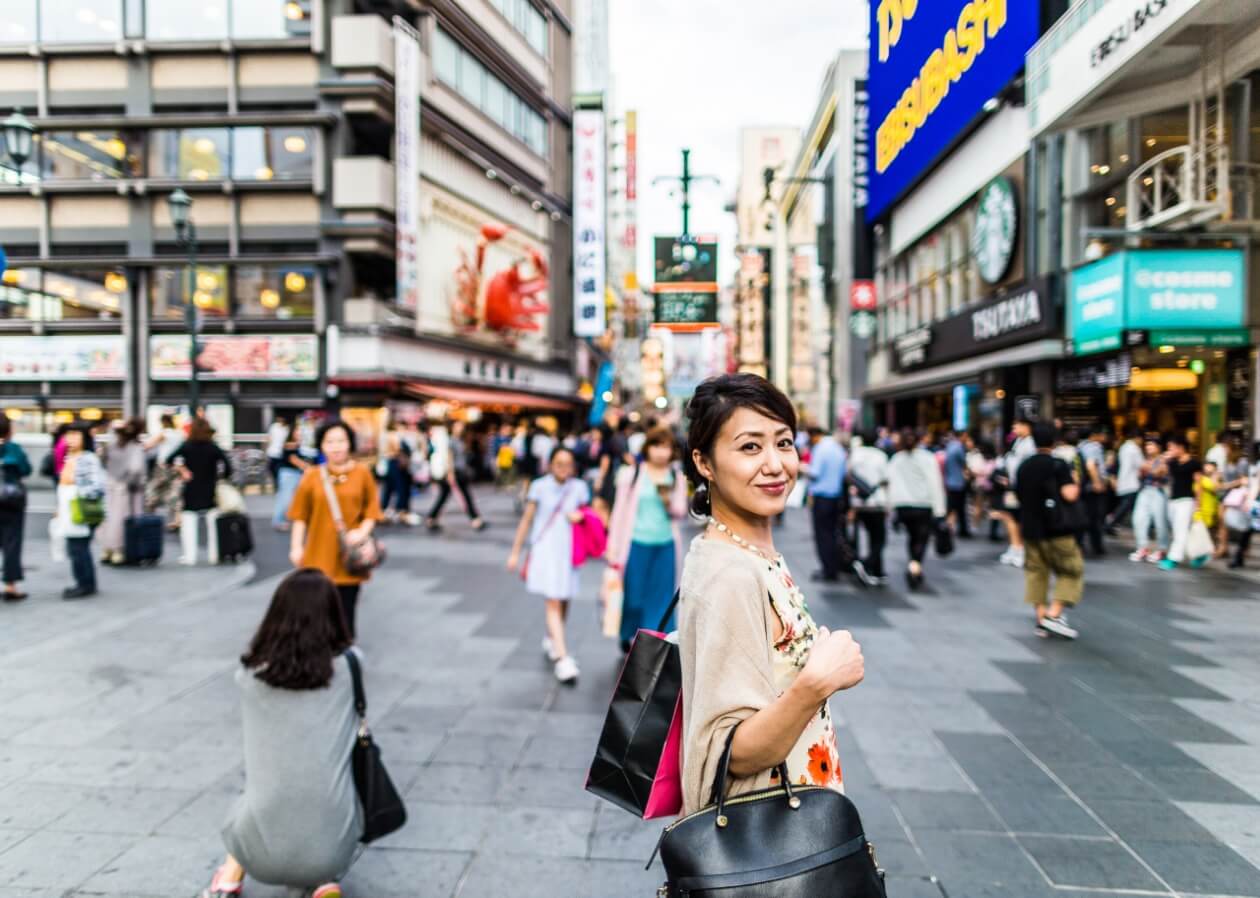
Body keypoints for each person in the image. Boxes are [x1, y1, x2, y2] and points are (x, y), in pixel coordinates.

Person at [676, 373, 865, 816]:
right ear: (704, 463)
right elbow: (731, 753)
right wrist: (817, 682)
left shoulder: (751, 551)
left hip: (796, 812)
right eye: (750, 447)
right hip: (767, 835)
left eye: (783, 443)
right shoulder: (731, 574)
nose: (776, 464)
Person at [201, 568, 361, 898]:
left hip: (259, 850)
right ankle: (321, 880)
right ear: (334, 615)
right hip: (337, 843)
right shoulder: (351, 666)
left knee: (251, 797)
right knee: (325, 794)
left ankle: (230, 878)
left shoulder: (249, 676)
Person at [288, 420, 383, 639]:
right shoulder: (312, 476)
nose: (336, 447)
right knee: (315, 609)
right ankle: (318, 650)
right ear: (321, 446)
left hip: (348, 556)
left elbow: (372, 512)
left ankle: (345, 648)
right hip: (317, 554)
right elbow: (300, 516)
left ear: (350, 443)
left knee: (346, 609)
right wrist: (296, 547)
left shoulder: (362, 473)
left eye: (341, 441)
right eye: (329, 442)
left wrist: (362, 532)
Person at [507, 446, 590, 684]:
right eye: (559, 463)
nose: (563, 468)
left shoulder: (579, 487)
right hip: (546, 550)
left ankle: (553, 637)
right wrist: (515, 552)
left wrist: (581, 517)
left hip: (569, 551)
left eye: (568, 464)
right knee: (553, 600)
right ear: (550, 464)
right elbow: (527, 520)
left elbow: (590, 515)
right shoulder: (539, 486)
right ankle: (563, 658)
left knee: (564, 597)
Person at [604, 426, 689, 653]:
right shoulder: (631, 474)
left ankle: (652, 643)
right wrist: (612, 546)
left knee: (661, 599)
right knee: (633, 597)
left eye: (666, 447)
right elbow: (619, 511)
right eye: (656, 446)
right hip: (635, 543)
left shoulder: (676, 476)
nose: (661, 452)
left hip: (665, 545)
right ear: (647, 448)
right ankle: (629, 633)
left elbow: (681, 511)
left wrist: (669, 502)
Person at [1015, 421, 1085, 640]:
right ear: (1054, 441)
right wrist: (1075, 481)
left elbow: (1019, 495)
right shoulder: (1059, 465)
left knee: (1036, 573)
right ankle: (1053, 615)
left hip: (1030, 528)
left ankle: (1041, 619)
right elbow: (1070, 494)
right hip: (1056, 528)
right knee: (1071, 570)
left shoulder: (1024, 466)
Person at [887, 428, 947, 591]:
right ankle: (915, 566)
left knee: (913, 536)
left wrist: (891, 507)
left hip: (903, 506)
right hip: (923, 505)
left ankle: (914, 565)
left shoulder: (896, 459)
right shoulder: (927, 458)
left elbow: (890, 483)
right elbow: (935, 483)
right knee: (921, 538)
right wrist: (940, 510)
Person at [169, 419, 232, 566]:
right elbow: (228, 467)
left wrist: (183, 471)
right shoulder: (213, 447)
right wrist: (220, 478)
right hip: (210, 489)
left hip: (191, 489)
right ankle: (214, 555)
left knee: (189, 522)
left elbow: (169, 459)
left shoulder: (187, 446)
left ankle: (189, 557)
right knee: (213, 523)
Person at [57, 424, 106, 599]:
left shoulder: (88, 458)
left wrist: (76, 487)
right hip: (70, 509)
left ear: (84, 438)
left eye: (75, 435)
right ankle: (86, 583)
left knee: (78, 548)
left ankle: (84, 585)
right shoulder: (69, 456)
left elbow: (97, 486)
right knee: (77, 548)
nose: (71, 439)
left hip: (81, 509)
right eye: (68, 435)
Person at [99, 418, 148, 565]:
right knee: (122, 520)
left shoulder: (111, 446)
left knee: (109, 518)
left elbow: (103, 462)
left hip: (110, 485)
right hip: (127, 489)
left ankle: (107, 549)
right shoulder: (135, 447)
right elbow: (136, 469)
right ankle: (119, 550)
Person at [425, 420, 485, 532]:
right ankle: (475, 519)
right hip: (454, 472)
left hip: (459, 471)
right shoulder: (451, 441)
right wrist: (450, 473)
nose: (460, 428)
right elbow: (449, 457)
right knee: (465, 496)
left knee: (445, 496)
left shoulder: (460, 440)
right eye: (458, 426)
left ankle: (431, 518)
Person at [848, 430, 890, 584]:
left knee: (863, 536)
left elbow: (849, 474)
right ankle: (867, 564)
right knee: (879, 538)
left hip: (859, 502)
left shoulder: (855, 454)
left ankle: (877, 571)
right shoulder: (881, 456)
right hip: (876, 502)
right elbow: (886, 479)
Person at [0, 416, 31, 602]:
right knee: (12, 543)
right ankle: (10, 586)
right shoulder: (14, 448)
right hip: (11, 501)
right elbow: (26, 469)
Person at [1160, 435, 1202, 571]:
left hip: (1187, 500)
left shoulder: (1194, 463)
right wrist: (1164, 461)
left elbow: (1199, 484)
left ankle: (1173, 558)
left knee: (1181, 530)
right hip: (1173, 500)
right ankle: (1199, 554)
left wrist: (1198, 503)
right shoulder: (1172, 462)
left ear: (1181, 447)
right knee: (1180, 530)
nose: (1169, 450)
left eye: (1171, 447)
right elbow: (1162, 474)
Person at [1130, 438, 1171, 564]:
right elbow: (1140, 474)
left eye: (1151, 445)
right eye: (1147, 444)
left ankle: (1162, 550)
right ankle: (1143, 548)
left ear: (1158, 447)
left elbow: (1159, 472)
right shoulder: (1146, 460)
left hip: (1158, 492)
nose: (1148, 447)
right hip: (1144, 491)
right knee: (1138, 519)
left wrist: (1147, 469)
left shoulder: (1163, 459)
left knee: (1160, 522)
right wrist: (1144, 470)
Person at [271, 422, 310, 531]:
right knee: (285, 499)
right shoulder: (290, 444)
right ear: (292, 432)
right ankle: (279, 521)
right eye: (297, 431)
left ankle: (282, 520)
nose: (300, 433)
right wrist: (307, 467)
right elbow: (293, 459)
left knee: (288, 498)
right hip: (288, 474)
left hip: (293, 473)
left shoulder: (296, 444)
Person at [1077, 424, 1109, 557]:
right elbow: (1091, 465)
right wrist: (1097, 483)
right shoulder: (1094, 447)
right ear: (1094, 435)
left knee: (1085, 515)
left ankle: (1081, 544)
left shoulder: (1080, 446)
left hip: (1083, 486)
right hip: (1092, 487)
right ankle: (1097, 546)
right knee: (1095, 518)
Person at [1108, 427, 1144, 534]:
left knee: (1129, 506)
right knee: (1126, 506)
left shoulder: (1123, 447)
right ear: (1138, 438)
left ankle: (1112, 524)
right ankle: (1110, 524)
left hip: (1124, 481)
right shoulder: (1135, 449)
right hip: (1132, 482)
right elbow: (1141, 465)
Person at [378, 422, 413, 525]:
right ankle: (400, 510)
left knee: (389, 488)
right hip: (394, 463)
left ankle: (384, 509)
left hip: (391, 463)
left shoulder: (384, 436)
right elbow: (397, 449)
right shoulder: (393, 436)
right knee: (399, 487)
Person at [943, 430, 970, 538]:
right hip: (958, 482)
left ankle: (947, 527)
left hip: (950, 481)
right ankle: (961, 530)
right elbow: (964, 464)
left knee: (951, 507)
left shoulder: (950, 446)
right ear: (962, 436)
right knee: (960, 508)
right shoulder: (958, 448)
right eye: (966, 436)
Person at [264, 415, 290, 490]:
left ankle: (278, 485)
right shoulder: (273, 427)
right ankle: (276, 483)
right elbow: (269, 438)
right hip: (272, 452)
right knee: (271, 469)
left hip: (281, 453)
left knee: (279, 470)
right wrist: (266, 449)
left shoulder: (287, 429)